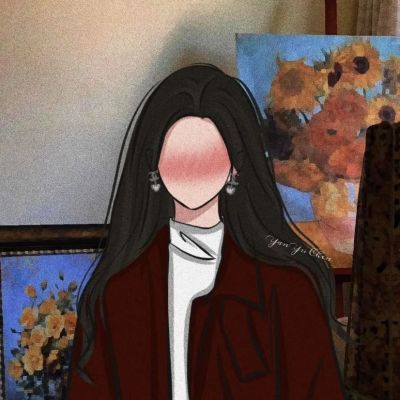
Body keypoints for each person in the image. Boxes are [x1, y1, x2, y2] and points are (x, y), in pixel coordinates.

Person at [63, 64, 349, 399]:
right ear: (154, 164)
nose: (192, 168)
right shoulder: (117, 292)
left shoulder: (287, 289)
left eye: (208, 155)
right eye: (179, 154)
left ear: (235, 167)